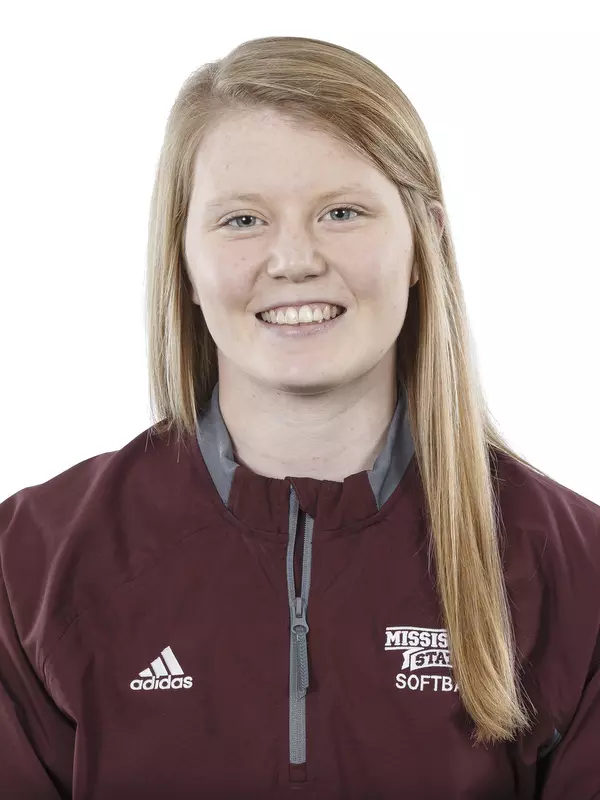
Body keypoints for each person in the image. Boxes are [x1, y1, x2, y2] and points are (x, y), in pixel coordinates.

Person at [0, 35, 598, 800]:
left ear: (425, 244)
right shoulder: (31, 570)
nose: (294, 260)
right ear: (181, 260)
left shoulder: (577, 574)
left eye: (341, 212)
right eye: (242, 221)